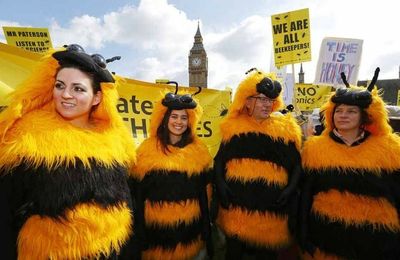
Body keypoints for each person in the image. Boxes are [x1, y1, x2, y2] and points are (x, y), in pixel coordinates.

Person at [0, 44, 136, 259]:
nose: (65, 95)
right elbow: (5, 216)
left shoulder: (115, 141)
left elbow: (124, 207)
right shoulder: (26, 139)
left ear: (97, 98)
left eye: (78, 89)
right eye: (60, 85)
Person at [300, 68, 400, 259]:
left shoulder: (390, 149)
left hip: (377, 243)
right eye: (339, 111)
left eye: (351, 111)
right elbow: (306, 195)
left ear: (364, 117)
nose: (343, 115)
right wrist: (304, 234)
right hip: (328, 240)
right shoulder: (315, 149)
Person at [214, 68, 302, 259]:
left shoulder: (286, 130)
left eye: (270, 100)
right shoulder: (233, 128)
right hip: (237, 212)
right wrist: (221, 185)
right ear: (247, 101)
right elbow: (219, 160)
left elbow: (296, 164)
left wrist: (290, 189)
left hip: (270, 215)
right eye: (261, 99)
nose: (267, 104)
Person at [129, 82, 213, 259]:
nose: (179, 122)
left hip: (189, 233)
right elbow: (138, 195)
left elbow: (202, 194)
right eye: (174, 117)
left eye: (184, 118)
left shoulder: (199, 152)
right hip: (156, 237)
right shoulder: (147, 151)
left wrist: (206, 226)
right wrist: (140, 231)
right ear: (165, 120)